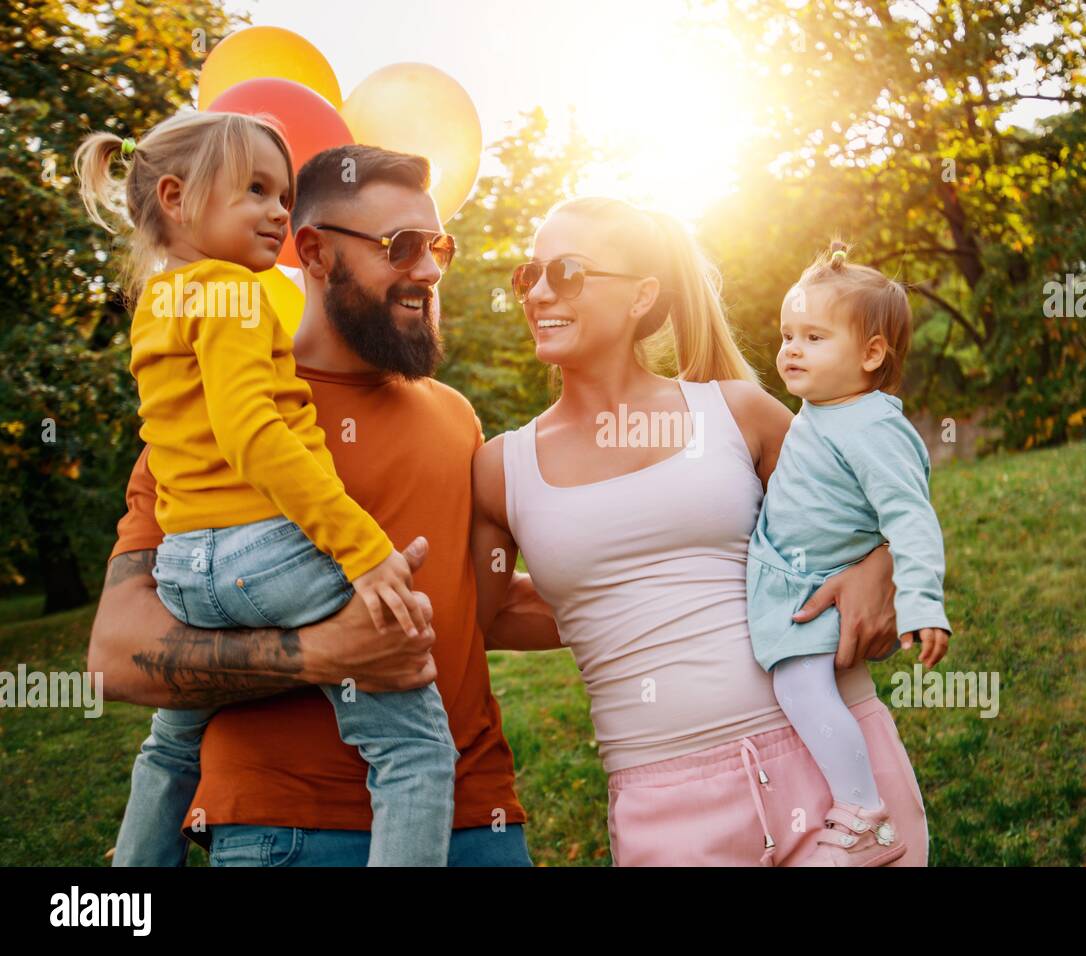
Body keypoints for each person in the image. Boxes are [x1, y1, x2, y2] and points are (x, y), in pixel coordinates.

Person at [89, 143, 534, 867]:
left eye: (439, 248)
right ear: (316, 253)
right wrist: (319, 654)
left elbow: (483, 608)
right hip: (287, 831)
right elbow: (116, 658)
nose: (428, 270)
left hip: (481, 818)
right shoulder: (204, 413)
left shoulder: (458, 418)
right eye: (404, 246)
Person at [473, 196, 946, 866]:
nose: (540, 292)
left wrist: (882, 567)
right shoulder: (502, 469)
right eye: (530, 274)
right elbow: (489, 616)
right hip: (668, 808)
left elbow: (876, 507)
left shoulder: (738, 413)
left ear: (642, 295)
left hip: (838, 780)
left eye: (569, 271)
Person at [746, 240, 952, 865]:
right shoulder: (823, 409)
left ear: (870, 354)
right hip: (794, 575)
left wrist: (920, 603)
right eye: (787, 335)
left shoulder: (871, 427)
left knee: (800, 687)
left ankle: (862, 810)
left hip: (817, 587)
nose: (791, 350)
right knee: (796, 686)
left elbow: (911, 517)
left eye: (813, 337)